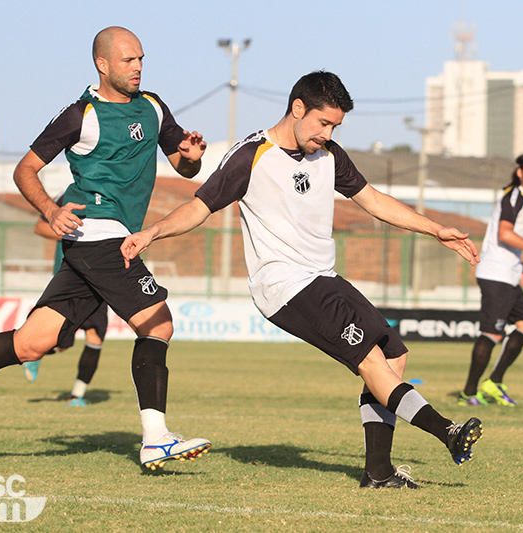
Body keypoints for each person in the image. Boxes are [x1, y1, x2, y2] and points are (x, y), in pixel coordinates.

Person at [121, 70, 484, 489]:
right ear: (297, 109)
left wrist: (435, 229)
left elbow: (374, 201)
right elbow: (199, 207)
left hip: (323, 276)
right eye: (323, 123)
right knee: (369, 360)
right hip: (283, 285)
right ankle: (448, 432)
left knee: (393, 356)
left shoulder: (329, 155)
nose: (327, 134)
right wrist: (152, 232)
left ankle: (379, 472)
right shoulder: (250, 156)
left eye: (335, 126)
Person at [0, 26, 211, 470]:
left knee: (31, 343)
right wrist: (49, 210)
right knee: (158, 325)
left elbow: (184, 165)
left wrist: (192, 154)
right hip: (100, 236)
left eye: (141, 58)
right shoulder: (80, 115)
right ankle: (155, 437)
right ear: (102, 64)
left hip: (99, 242)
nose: (138, 67)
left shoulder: (153, 107)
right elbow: (25, 170)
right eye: (127, 60)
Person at [458, 153, 523, 407]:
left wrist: (522, 263)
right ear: (520, 173)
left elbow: (503, 238)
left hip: (509, 273)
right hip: (497, 275)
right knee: (492, 334)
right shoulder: (514, 196)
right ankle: (469, 393)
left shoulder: (522, 199)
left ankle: (494, 381)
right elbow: (505, 234)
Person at [23, 190, 109, 408]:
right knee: (60, 343)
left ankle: (76, 396)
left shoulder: (116, 193)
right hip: (70, 277)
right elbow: (40, 226)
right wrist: (79, 237)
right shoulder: (71, 194)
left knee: (96, 335)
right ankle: (36, 354)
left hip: (101, 278)